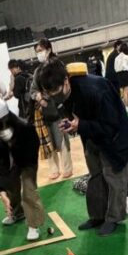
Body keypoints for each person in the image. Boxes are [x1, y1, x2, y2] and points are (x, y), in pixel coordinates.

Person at [39, 59, 128, 237]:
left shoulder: (96, 89)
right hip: (92, 137)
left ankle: (113, 218)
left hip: (115, 140)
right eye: (50, 94)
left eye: (57, 92)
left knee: (114, 178)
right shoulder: (63, 94)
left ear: (66, 80)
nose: (55, 97)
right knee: (95, 176)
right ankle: (97, 216)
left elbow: (111, 125)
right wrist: (71, 125)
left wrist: (80, 125)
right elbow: (73, 115)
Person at [0, 98, 45, 241]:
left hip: (26, 161)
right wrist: (0, 190)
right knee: (10, 188)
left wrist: (15, 144)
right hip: (7, 163)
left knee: (29, 191)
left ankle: (33, 225)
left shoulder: (25, 127)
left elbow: (33, 150)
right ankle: (17, 213)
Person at [30, 38, 72, 180]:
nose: (39, 54)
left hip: (60, 108)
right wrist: (40, 98)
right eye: (37, 52)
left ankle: (67, 168)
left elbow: (66, 85)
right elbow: (33, 90)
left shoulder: (58, 65)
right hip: (45, 112)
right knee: (48, 142)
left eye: (41, 50)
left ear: (48, 49)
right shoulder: (38, 71)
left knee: (63, 139)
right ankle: (54, 169)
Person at [115, 43, 128, 111]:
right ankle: (126, 107)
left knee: (121, 93)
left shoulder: (116, 58)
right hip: (126, 74)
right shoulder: (126, 57)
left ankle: (122, 108)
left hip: (119, 75)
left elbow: (115, 68)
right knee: (126, 93)